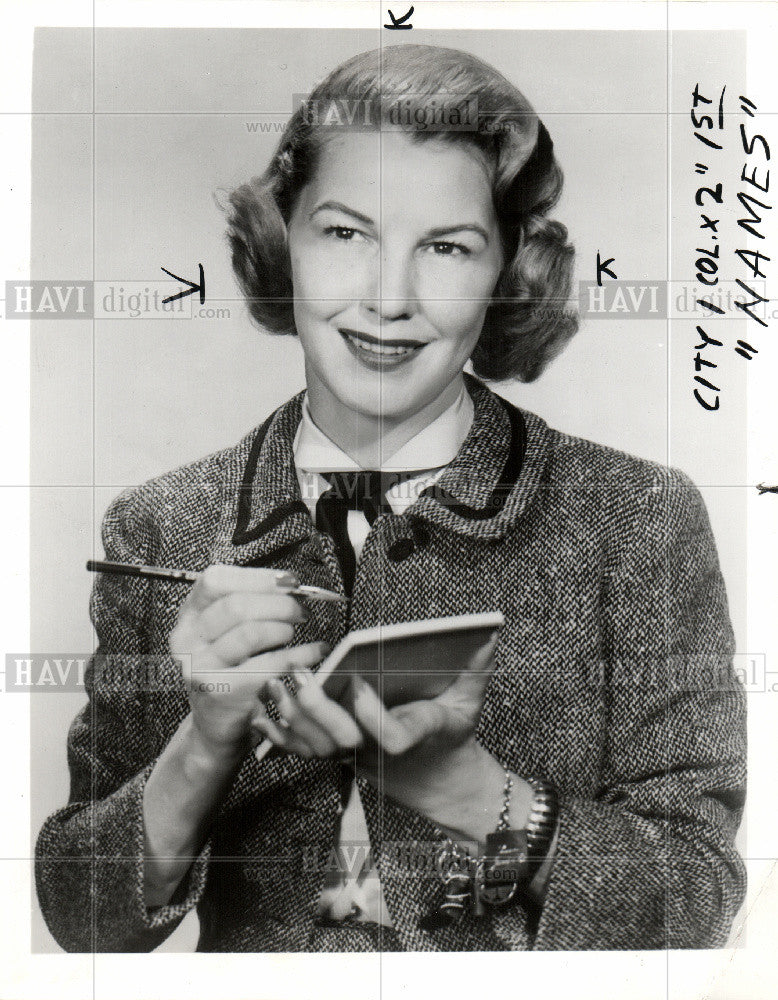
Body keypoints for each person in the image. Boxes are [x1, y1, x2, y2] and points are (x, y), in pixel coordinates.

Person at [35, 43, 746, 953]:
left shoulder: (640, 517)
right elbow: (80, 924)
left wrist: (469, 793)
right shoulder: (160, 522)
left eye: (447, 247)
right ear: (278, 239)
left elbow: (699, 899)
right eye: (345, 233)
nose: (388, 297)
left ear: (508, 274)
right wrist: (206, 742)